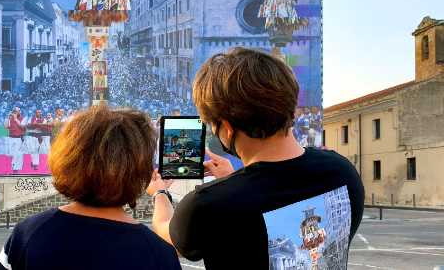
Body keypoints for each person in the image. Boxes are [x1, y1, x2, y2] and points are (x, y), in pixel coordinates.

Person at [147, 47, 364, 269]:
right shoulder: (343, 171)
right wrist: (235, 179)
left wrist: (160, 193)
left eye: (214, 126)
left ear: (228, 128)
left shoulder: (207, 205)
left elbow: (168, 232)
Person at [0, 106, 181, 270]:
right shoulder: (160, 254)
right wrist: (160, 193)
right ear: (140, 170)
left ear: (67, 160)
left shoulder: (28, 234)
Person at [5, 107, 26, 173]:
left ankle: (15, 169)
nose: (19, 111)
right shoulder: (10, 118)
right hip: (11, 138)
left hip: (19, 138)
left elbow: (22, 126)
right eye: (17, 111)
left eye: (19, 110)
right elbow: (6, 127)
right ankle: (14, 166)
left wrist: (16, 119)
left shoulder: (23, 118)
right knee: (11, 154)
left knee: (18, 154)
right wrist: (7, 118)